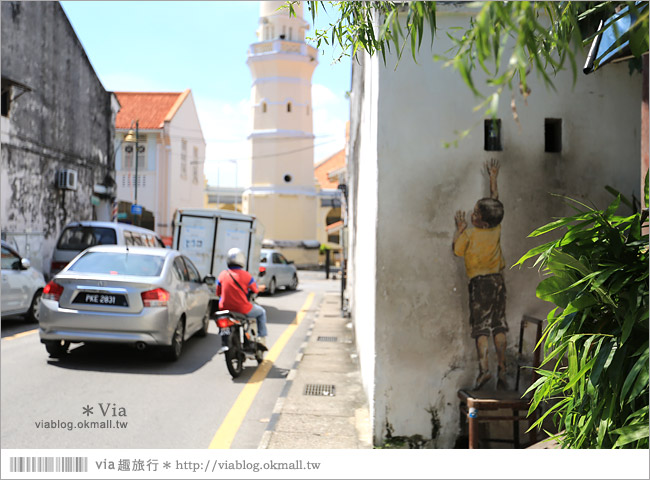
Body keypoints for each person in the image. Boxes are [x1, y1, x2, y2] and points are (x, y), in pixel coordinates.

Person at [453, 159, 508, 390]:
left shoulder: (471, 234)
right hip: (498, 281)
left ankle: (485, 370)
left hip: (479, 285)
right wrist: (493, 177)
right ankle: (503, 368)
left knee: (481, 329)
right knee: (499, 325)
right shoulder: (495, 227)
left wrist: (460, 230)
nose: (472, 214)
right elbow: (495, 201)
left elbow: (457, 251)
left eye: (475, 213)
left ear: (481, 222)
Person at [215, 247, 268, 354]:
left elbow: (218, 292)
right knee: (261, 312)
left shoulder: (222, 275)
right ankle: (261, 338)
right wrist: (260, 288)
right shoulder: (246, 275)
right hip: (242, 308)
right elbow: (255, 289)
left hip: (224, 309)